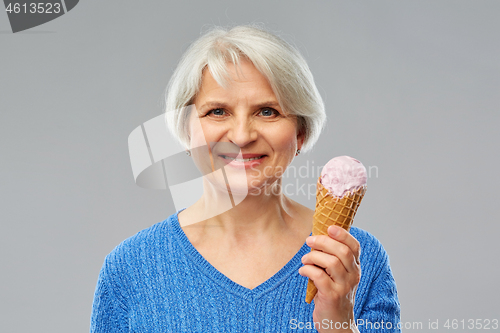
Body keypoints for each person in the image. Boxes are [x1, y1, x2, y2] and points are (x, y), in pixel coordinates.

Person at [90, 25, 400, 333]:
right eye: (217, 111)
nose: (241, 136)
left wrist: (339, 323)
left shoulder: (356, 260)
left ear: (300, 133)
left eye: (267, 111)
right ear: (186, 131)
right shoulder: (129, 268)